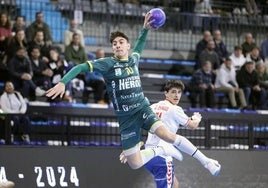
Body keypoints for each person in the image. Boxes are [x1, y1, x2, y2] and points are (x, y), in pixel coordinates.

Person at [46, 13, 221, 174]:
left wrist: (145, 28)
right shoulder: (107, 64)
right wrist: (63, 82)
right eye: (114, 44)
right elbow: (81, 66)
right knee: (135, 163)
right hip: (126, 117)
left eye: (121, 42)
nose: (117, 45)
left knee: (166, 135)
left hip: (142, 108)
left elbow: (140, 43)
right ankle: (161, 150)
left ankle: (207, 162)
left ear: (127, 46)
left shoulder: (133, 59)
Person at [120, 80, 220, 188]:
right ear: (166, 93)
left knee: (175, 184)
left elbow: (136, 126)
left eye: (179, 92)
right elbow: (192, 125)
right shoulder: (175, 109)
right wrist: (197, 118)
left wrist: (131, 148)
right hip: (162, 157)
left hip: (149, 158)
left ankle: (206, 162)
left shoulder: (153, 107)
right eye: (173, 92)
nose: (177, 95)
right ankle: (206, 162)